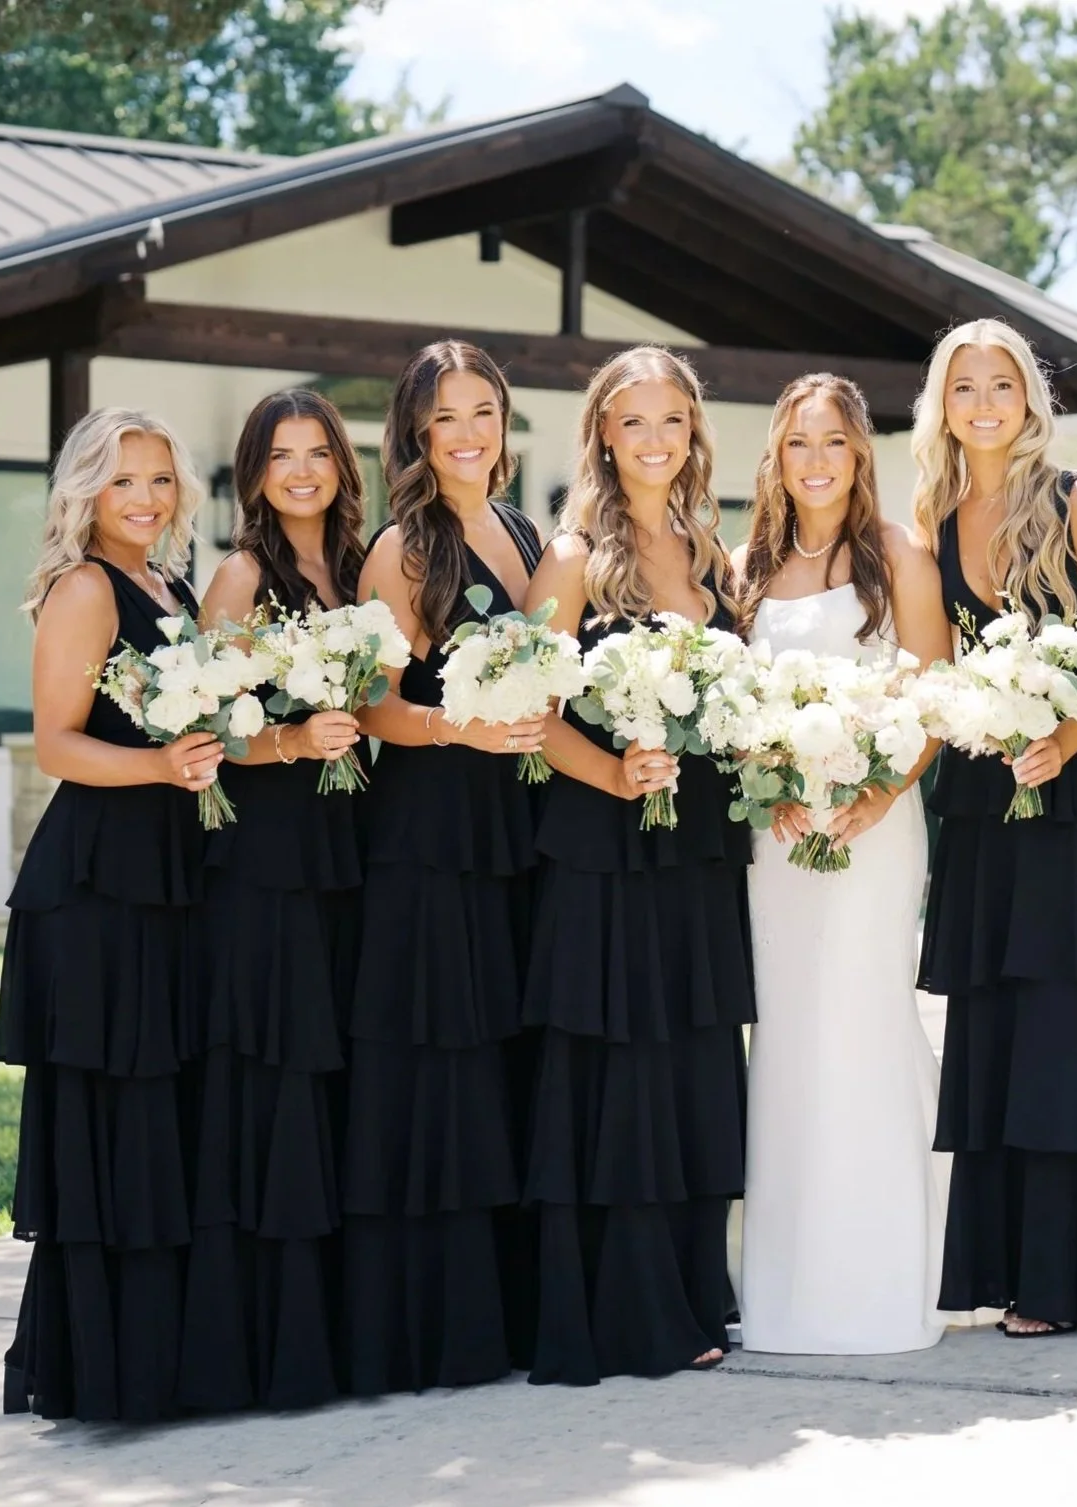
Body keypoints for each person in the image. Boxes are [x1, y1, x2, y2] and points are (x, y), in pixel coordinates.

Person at [915, 319, 1077, 1336]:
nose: (983, 403)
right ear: (942, 404)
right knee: (1008, 1031)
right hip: (989, 804)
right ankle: (1016, 1266)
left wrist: (1062, 739)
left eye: (1001, 384)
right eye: (963, 386)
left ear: (1029, 398)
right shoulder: (934, 519)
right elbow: (933, 671)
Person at [519, 346, 753, 1383]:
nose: (655, 440)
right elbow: (526, 714)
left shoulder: (712, 552)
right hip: (605, 850)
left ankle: (697, 1286)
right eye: (635, 423)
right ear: (603, 435)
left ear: (692, 434)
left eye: (673, 422)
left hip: (697, 846)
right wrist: (611, 775)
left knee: (695, 1067)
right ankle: (629, 1308)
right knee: (625, 1077)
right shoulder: (571, 556)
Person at [0, 409, 218, 1420]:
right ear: (84, 491)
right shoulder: (84, 588)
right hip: (98, 882)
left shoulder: (169, 585)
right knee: (111, 1117)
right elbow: (56, 744)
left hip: (170, 869)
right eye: (124, 479)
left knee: (158, 1116)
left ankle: (158, 1356)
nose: (145, 497)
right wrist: (162, 765)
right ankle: (96, 1369)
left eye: (160, 479)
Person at [732, 374, 955, 1355]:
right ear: (775, 457)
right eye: (797, 444)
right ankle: (786, 1285)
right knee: (786, 1030)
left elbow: (933, 692)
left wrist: (879, 790)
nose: (815, 460)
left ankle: (889, 1275)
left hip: (874, 821)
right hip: (775, 832)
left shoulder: (896, 554)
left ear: (860, 454)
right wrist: (764, 779)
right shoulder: (745, 564)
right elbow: (729, 704)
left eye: (833, 442)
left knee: (861, 1018)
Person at [343, 341, 549, 1390]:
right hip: (431, 836)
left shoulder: (520, 531)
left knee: (509, 1061)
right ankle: (439, 1325)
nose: (468, 433)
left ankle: (514, 1310)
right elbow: (371, 705)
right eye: (446, 418)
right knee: (445, 1069)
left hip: (517, 830)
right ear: (416, 436)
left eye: (483, 412)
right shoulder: (404, 547)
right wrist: (456, 732)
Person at [178, 389, 367, 1411]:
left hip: (347, 849)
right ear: (252, 475)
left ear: (343, 462)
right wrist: (293, 742)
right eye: (279, 455)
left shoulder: (360, 564)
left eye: (318, 452)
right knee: (277, 1069)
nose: (301, 470)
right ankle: (263, 1334)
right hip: (267, 858)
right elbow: (208, 736)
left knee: (335, 1067)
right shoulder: (242, 574)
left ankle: (333, 1324)